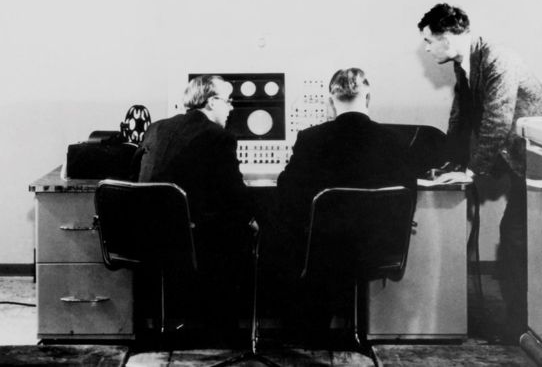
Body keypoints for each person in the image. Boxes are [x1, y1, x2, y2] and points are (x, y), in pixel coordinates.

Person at [418, 3, 542, 344]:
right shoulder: (465, 64)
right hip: (516, 158)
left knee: (516, 239)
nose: (425, 48)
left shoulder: (498, 58)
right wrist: (448, 164)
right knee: (514, 239)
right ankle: (519, 323)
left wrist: (471, 170)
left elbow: (497, 118)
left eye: (428, 41)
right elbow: (462, 116)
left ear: (449, 36)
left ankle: (520, 328)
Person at [276, 67, 416, 340]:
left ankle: (303, 329)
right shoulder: (395, 141)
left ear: (331, 100)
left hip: (325, 248)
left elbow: (287, 191)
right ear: (368, 98)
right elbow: (408, 193)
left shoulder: (310, 139)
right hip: (380, 246)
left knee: (285, 234)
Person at [134, 74, 255, 339]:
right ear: (212, 102)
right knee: (239, 232)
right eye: (228, 101)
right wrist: (253, 219)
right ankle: (224, 332)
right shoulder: (218, 137)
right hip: (189, 239)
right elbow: (235, 194)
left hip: (144, 235)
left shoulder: (156, 128)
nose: (231, 108)